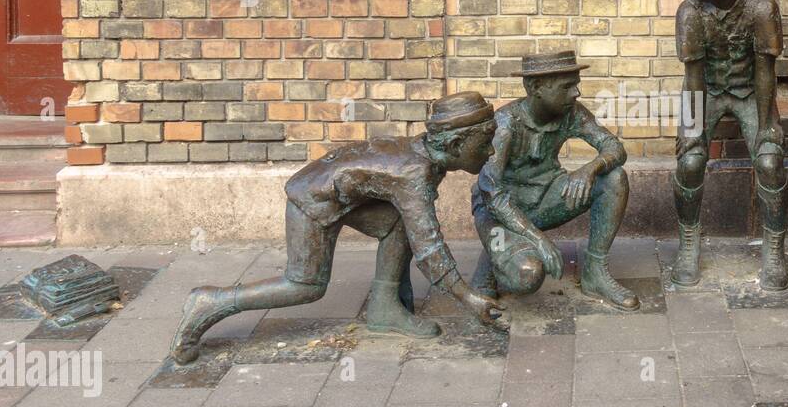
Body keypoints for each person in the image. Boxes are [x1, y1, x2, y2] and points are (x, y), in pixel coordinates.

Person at [170, 91, 503, 365]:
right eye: (485, 143)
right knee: (304, 285)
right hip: (312, 202)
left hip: (340, 195)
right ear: (456, 145)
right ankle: (211, 302)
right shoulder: (413, 174)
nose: (490, 152)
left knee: (398, 222)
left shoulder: (427, 153)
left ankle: (384, 307)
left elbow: (417, 230)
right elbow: (429, 248)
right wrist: (469, 298)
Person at [471, 49, 639, 310]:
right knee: (528, 275)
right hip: (499, 215)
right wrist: (539, 241)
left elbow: (614, 148)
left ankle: (595, 273)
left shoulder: (572, 113)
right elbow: (491, 195)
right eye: (567, 86)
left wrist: (591, 168)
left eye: (576, 85)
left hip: (547, 198)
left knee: (614, 179)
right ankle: (494, 258)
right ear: (536, 87)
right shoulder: (505, 125)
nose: (576, 93)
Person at [673, 0, 788, 290]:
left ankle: (774, 251)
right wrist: (691, 128)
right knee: (690, 161)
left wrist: (768, 124)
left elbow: (765, 71)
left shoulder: (761, 9)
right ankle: (688, 243)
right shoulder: (690, 12)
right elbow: (692, 76)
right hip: (706, 93)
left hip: (750, 94)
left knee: (770, 161)